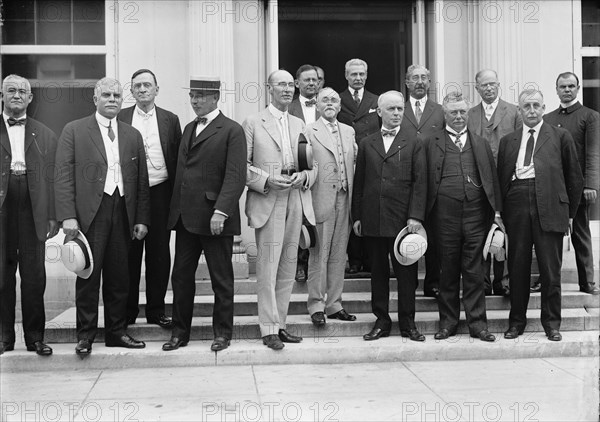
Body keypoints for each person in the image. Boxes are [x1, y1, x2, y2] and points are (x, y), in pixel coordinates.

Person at [55, 77, 150, 356]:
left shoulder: (132, 135)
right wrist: (67, 217)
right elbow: (62, 177)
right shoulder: (74, 130)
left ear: (123, 101)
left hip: (123, 211)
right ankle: (85, 335)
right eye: (106, 95)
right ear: (95, 99)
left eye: (117, 96)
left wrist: (141, 218)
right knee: (88, 275)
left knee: (120, 276)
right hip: (89, 215)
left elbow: (141, 182)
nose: (112, 99)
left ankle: (117, 332)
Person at [163, 76, 246, 352]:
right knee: (181, 278)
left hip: (214, 220)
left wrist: (221, 211)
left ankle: (222, 333)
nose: (194, 101)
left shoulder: (232, 130)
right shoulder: (188, 128)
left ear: (215, 97)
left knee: (221, 280)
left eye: (200, 95)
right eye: (192, 96)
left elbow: (235, 176)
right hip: (186, 219)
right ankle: (179, 333)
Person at [498, 89, 583, 342]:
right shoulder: (509, 141)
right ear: (520, 110)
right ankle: (517, 322)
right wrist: (499, 214)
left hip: (550, 206)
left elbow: (574, 178)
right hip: (517, 206)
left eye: (536, 105)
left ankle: (552, 324)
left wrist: (569, 214)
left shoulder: (560, 136)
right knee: (517, 268)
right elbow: (502, 178)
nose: (532, 110)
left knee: (550, 270)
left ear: (544, 108)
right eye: (527, 106)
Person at [243, 69, 317, 350]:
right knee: (268, 265)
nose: (287, 89)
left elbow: (313, 165)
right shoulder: (253, 122)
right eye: (281, 85)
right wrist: (266, 179)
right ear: (269, 88)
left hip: (295, 196)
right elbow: (241, 166)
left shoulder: (300, 123)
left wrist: (305, 177)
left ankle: (281, 324)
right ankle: (268, 327)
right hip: (269, 196)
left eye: (290, 85)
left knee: (288, 265)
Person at [424, 92, 501, 342]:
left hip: (476, 218)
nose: (458, 117)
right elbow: (422, 182)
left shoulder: (480, 143)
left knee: (475, 272)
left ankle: (478, 325)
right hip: (444, 218)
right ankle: (448, 323)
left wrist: (496, 213)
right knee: (447, 272)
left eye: (462, 112)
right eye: (453, 112)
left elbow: (491, 180)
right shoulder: (430, 142)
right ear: (444, 115)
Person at [352, 90, 427, 342]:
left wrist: (415, 216)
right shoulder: (366, 143)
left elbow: (420, 182)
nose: (397, 113)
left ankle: (408, 324)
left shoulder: (415, 141)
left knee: (407, 275)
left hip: (403, 221)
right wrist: (357, 216)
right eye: (392, 109)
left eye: (400, 109)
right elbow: (359, 181)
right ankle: (382, 321)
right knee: (378, 273)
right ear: (380, 112)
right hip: (373, 217)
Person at [118, 69, 182, 328]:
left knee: (159, 255)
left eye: (147, 85)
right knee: (129, 254)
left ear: (157, 89)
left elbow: (177, 158)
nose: (142, 90)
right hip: (129, 195)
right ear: (131, 91)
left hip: (160, 192)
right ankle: (128, 311)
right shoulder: (121, 117)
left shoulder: (170, 119)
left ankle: (156, 311)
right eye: (137, 86)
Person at [0, 75, 58, 356]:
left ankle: (35, 337)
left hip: (33, 209)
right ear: (2, 94)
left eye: (23, 91)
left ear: (31, 98)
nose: (17, 95)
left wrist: (54, 216)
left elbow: (56, 178)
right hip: (2, 209)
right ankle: (4, 338)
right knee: (2, 275)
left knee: (35, 276)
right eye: (11, 90)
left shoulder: (45, 134)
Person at [467, 69, 522, 297]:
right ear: (477, 88)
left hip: (506, 180)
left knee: (506, 230)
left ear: (499, 85)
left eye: (492, 84)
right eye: (484, 85)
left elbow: (520, 146)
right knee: (481, 230)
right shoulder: (470, 114)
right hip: (480, 182)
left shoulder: (514, 112)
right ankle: (483, 281)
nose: (488, 88)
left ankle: (504, 280)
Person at [305, 87, 357, 326]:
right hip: (321, 198)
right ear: (317, 105)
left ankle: (334, 304)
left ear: (339, 106)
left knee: (338, 255)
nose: (330, 103)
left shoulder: (349, 131)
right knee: (319, 256)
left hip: (345, 199)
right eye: (325, 99)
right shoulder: (308, 130)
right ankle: (316, 304)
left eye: (334, 100)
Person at [545, 72, 599, 295]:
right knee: (551, 235)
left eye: (570, 86)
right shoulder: (547, 118)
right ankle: (548, 280)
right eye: (562, 86)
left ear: (577, 88)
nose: (566, 90)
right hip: (554, 187)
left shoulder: (590, 116)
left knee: (580, 233)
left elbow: (593, 153)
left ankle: (587, 281)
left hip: (578, 187)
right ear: (556, 89)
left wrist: (590, 185)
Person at [403, 64, 445, 299]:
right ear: (407, 82)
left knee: (435, 235)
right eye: (414, 78)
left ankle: (433, 282)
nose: (419, 82)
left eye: (424, 78)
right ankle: (408, 284)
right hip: (406, 181)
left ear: (429, 82)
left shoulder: (439, 111)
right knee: (408, 232)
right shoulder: (399, 109)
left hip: (435, 180)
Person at [338, 58, 379, 275]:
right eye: (353, 74)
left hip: (370, 160)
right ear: (346, 75)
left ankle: (371, 260)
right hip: (346, 161)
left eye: (362, 74)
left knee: (368, 206)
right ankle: (354, 259)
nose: (358, 78)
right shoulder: (338, 99)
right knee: (350, 207)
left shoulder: (376, 100)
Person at [288, 64, 320, 283]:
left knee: (317, 219)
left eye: (314, 80)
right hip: (298, 172)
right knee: (300, 219)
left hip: (322, 171)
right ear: (297, 84)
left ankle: (318, 266)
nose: (311, 83)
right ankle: (300, 264)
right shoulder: (288, 109)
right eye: (306, 80)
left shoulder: (329, 106)